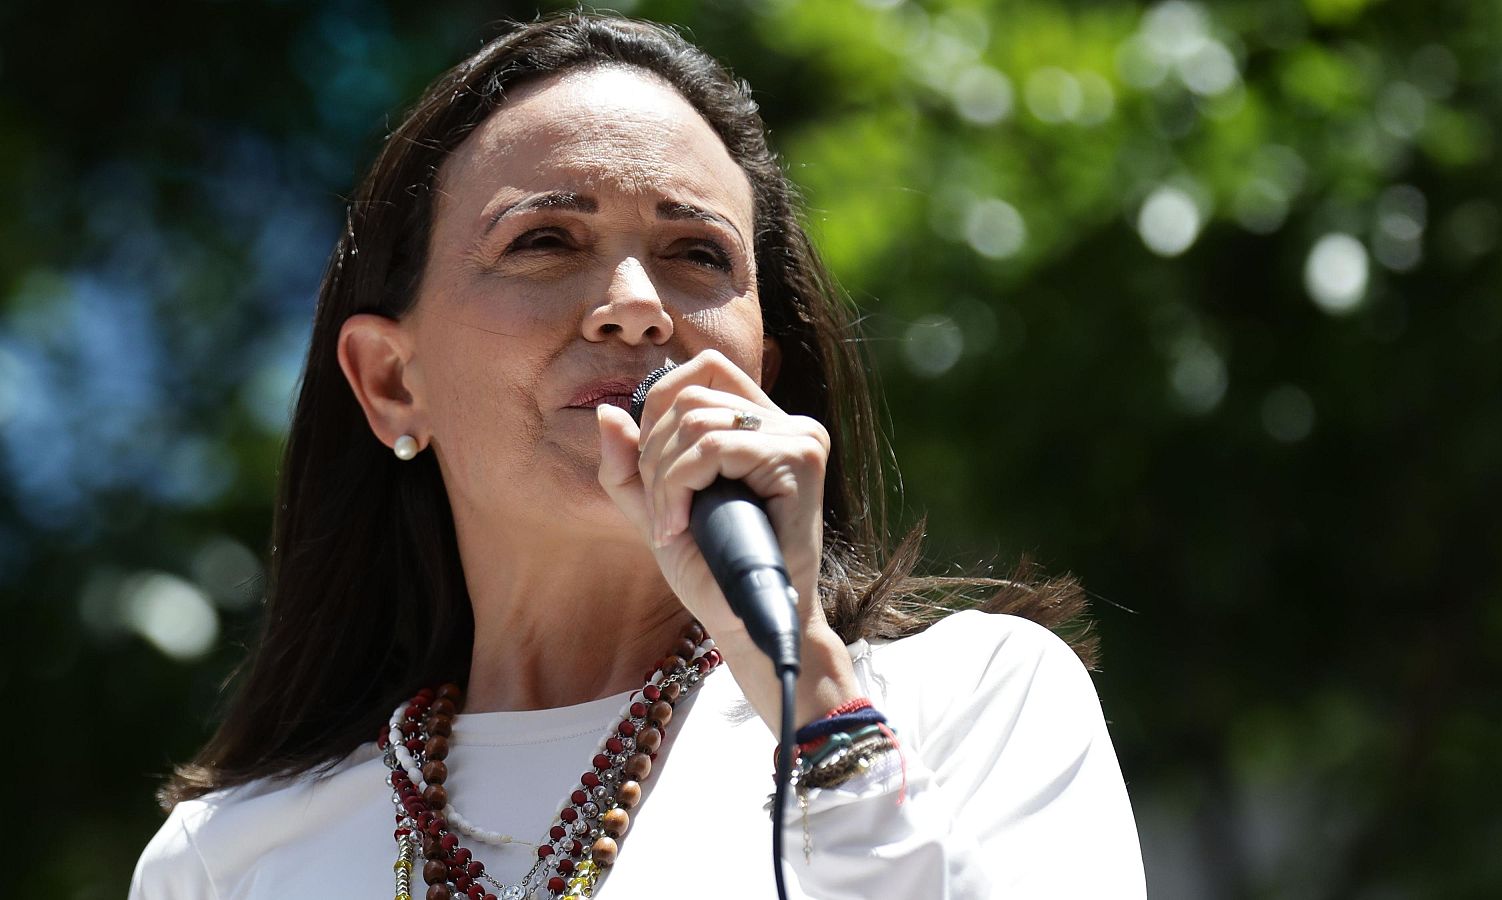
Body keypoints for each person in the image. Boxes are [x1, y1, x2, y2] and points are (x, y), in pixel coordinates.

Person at [129, 12, 1145, 899]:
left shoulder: (973, 704)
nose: (635, 308)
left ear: (763, 374)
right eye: (544, 241)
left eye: (697, 255)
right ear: (394, 382)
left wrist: (812, 691)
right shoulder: (224, 862)